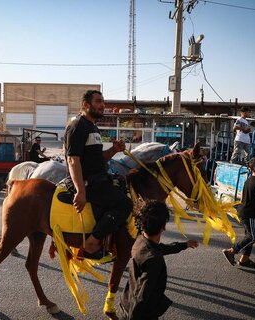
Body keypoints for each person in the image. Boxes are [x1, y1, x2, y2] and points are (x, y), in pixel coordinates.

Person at [64, 90, 133, 258]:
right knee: (124, 204)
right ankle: (92, 243)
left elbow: (97, 158)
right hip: (86, 182)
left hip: (98, 178)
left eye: (103, 102)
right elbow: (73, 160)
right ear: (86, 105)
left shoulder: (92, 126)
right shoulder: (78, 125)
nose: (102, 105)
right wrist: (81, 191)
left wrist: (114, 150)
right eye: (98, 102)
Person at [118, 200, 199, 320]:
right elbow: (142, 296)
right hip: (140, 314)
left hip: (126, 303)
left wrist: (184, 245)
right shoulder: (154, 259)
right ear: (163, 227)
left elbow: (161, 248)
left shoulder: (140, 241)